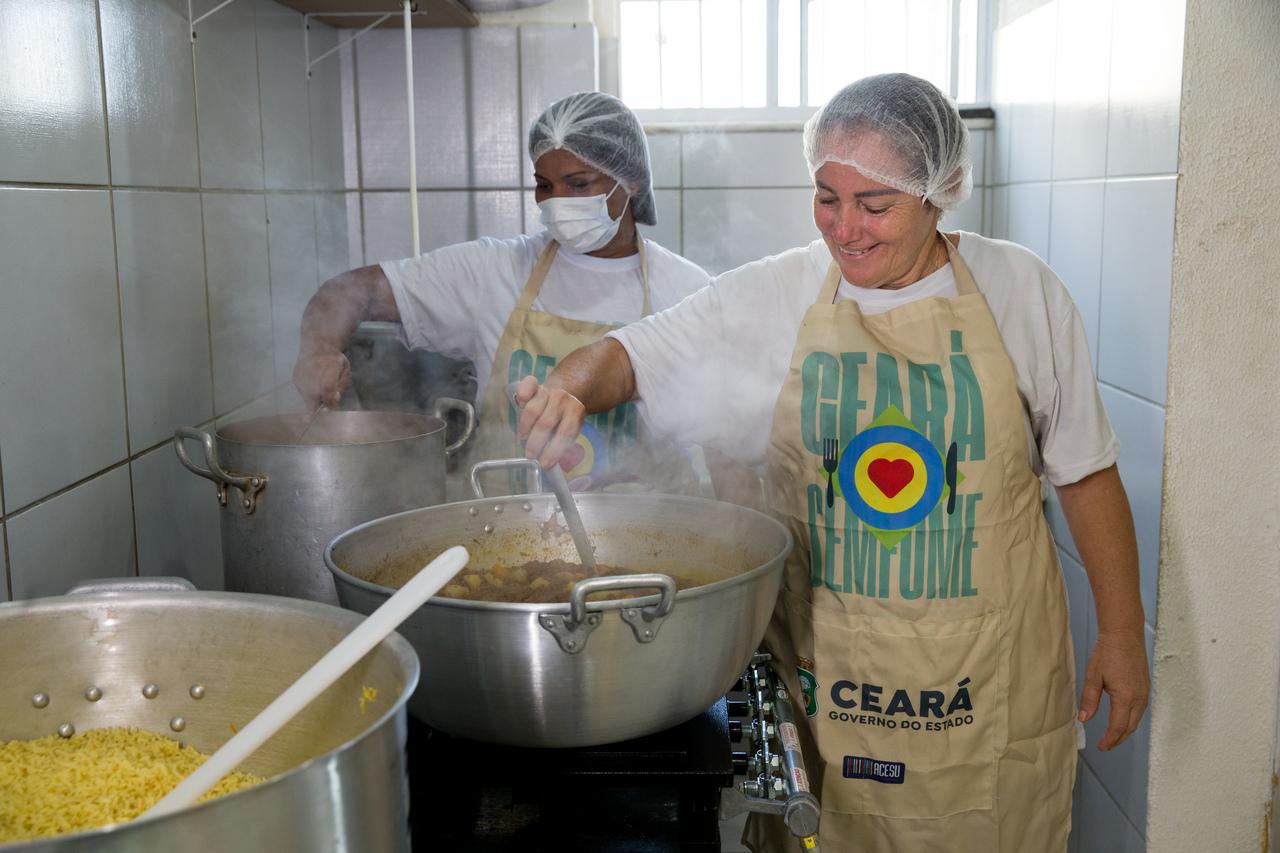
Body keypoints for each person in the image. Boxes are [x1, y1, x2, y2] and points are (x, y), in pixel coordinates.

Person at [512, 74, 1149, 852]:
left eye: (874, 206)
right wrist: (568, 389)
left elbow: (1085, 472)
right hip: (827, 698)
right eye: (826, 198)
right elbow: (631, 356)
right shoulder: (777, 293)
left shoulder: (1022, 291)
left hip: (986, 700)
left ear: (939, 193)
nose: (845, 229)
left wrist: (1122, 632)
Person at [292, 91, 710, 496]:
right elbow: (352, 291)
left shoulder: (687, 290)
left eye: (578, 184)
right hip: (508, 538)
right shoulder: (494, 271)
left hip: (656, 540)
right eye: (544, 185)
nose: (557, 202)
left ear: (631, 181)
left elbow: (729, 442)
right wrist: (320, 350)